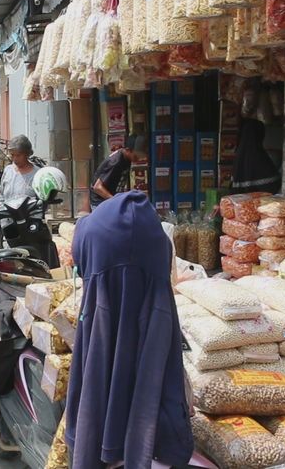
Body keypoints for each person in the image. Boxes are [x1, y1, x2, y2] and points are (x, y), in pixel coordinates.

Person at [67, 191, 194, 468]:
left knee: (98, 378)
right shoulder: (158, 244)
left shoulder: (91, 234)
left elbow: (80, 256)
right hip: (151, 316)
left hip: (105, 304)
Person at [89, 134, 147, 210]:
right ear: (128, 150)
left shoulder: (127, 158)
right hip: (100, 203)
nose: (138, 159)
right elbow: (97, 187)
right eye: (135, 156)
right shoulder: (115, 162)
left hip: (110, 200)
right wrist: (115, 201)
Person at [232, 118, 281, 194]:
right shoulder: (258, 155)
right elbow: (274, 185)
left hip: (240, 202)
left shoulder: (238, 155)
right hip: (259, 203)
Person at [0, 135, 40, 205]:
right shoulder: (8, 170)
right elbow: (1, 195)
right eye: (12, 155)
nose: (15, 159)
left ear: (27, 154)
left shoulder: (37, 174)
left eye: (18, 155)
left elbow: (41, 202)